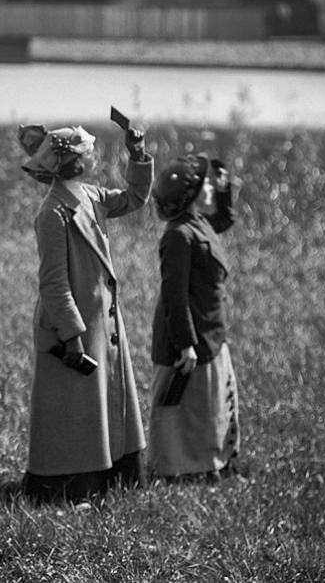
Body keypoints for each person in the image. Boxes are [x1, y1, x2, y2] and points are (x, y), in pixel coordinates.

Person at [18, 121, 154, 503]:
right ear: (77, 162)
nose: (97, 155)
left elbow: (134, 199)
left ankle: (115, 472)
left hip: (102, 319)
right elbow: (54, 283)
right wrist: (72, 335)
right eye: (91, 151)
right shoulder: (53, 213)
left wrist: (138, 155)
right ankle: (67, 485)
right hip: (75, 326)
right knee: (76, 407)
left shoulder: (92, 195)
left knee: (105, 399)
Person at [148, 154, 240, 482]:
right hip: (191, 333)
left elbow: (222, 222)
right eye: (206, 185)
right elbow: (174, 295)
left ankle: (210, 463)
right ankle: (179, 469)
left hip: (208, 328)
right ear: (192, 196)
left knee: (210, 403)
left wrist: (225, 189)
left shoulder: (196, 222)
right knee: (185, 407)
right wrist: (185, 344)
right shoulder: (178, 235)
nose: (210, 187)